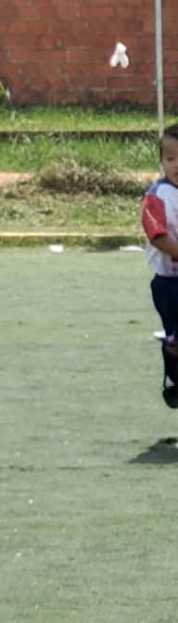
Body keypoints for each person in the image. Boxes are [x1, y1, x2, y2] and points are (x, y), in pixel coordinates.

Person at [140, 123, 178, 409]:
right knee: (176, 341)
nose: (176, 165)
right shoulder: (157, 195)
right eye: (170, 159)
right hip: (169, 284)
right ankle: (173, 378)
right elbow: (158, 236)